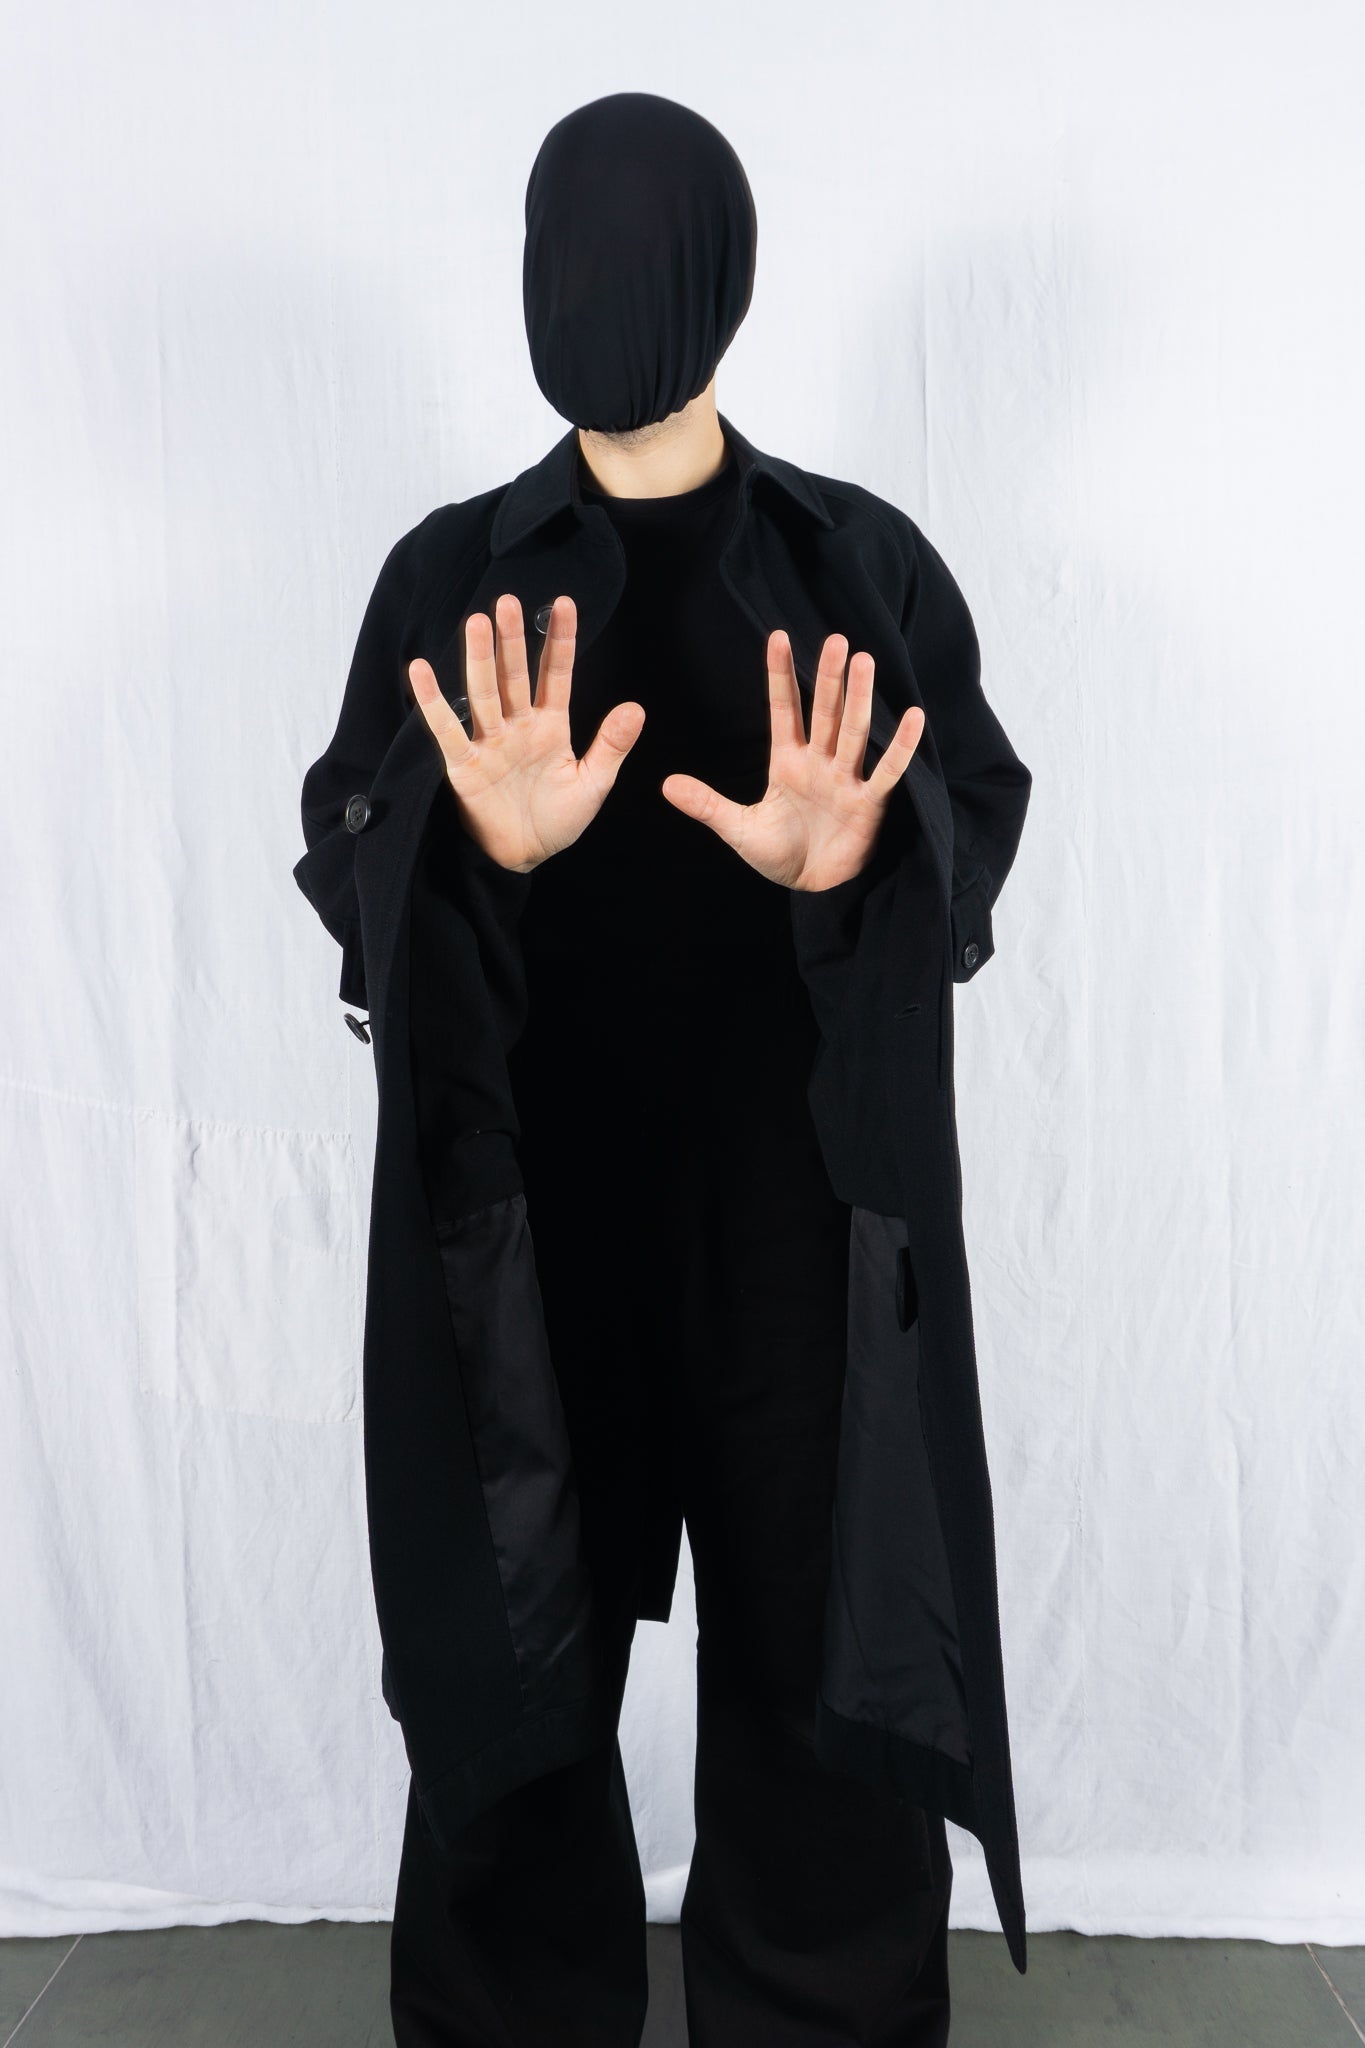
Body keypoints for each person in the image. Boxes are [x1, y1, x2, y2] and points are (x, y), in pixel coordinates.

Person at [382, 93, 970, 2047]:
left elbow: (964, 828)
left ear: (715, 272)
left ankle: (816, 2015)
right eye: (566, 246)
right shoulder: (452, 577)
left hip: (795, 1223)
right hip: (530, 1223)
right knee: (514, 1648)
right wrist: (479, 848)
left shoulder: (854, 565)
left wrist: (854, 861)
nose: (596, 290)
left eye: (636, 249)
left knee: (818, 1654)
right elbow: (351, 866)